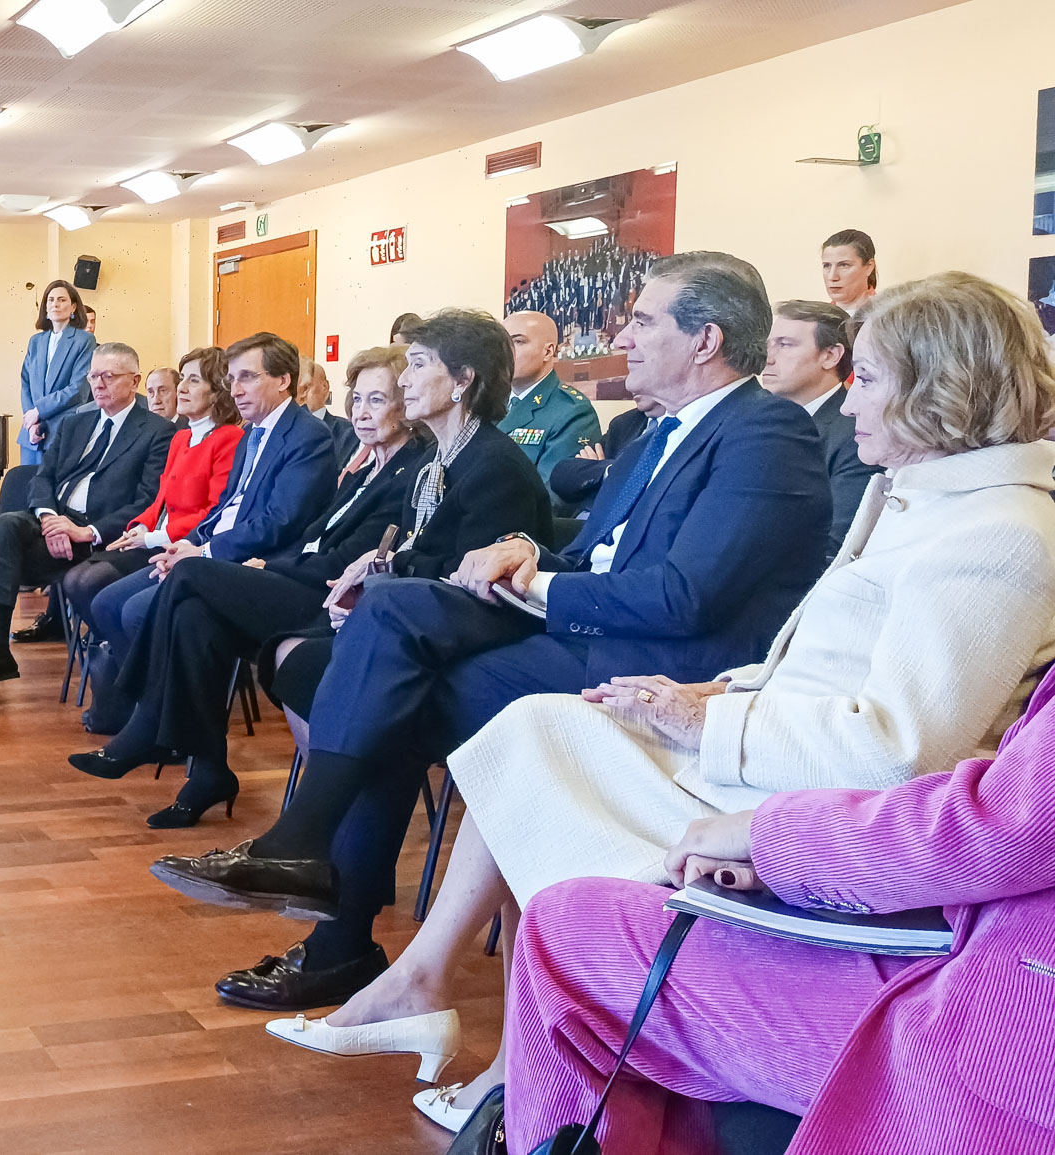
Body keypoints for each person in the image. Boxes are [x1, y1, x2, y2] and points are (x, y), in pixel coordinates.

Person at [321, 270, 1055, 1133]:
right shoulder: (932, 499)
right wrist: (716, 691)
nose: (849, 399)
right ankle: (463, 1002)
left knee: (530, 737)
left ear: (940, 389)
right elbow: (820, 665)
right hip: (774, 740)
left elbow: (898, 751)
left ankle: (519, 1036)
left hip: (812, 797)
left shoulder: (997, 533)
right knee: (529, 729)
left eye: (869, 377)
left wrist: (707, 718)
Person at [147, 253, 832, 1027]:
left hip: (662, 669)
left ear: (704, 340)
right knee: (390, 621)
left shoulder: (766, 432)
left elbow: (687, 596)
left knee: (389, 678)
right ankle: (326, 906)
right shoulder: (652, 437)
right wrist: (525, 552)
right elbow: (589, 554)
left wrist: (534, 581)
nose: (624, 335)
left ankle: (319, 885)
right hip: (589, 629)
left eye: (643, 320)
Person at [508, 657, 1055, 1153]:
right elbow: (792, 664)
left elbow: (983, 812)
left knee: (564, 930)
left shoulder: (996, 546)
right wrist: (718, 694)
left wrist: (768, 829)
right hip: (960, 910)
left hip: (1006, 1036)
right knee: (527, 728)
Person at [67, 344, 442, 829]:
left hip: (323, 600)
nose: (360, 413)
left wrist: (263, 566)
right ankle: (208, 772)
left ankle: (146, 724)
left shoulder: (404, 469)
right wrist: (246, 557)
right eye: (358, 400)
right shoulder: (365, 465)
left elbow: (330, 552)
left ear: (405, 405)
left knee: (187, 576)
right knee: (195, 616)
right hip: (289, 570)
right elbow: (303, 531)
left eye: (377, 400)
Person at [78, 332, 335, 733]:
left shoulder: (307, 435)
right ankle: (155, 713)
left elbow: (280, 521)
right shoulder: (253, 433)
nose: (236, 390)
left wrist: (204, 553)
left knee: (134, 609)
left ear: (283, 380)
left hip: (259, 564)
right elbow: (224, 507)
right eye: (232, 379)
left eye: (247, 377)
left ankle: (164, 725)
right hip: (212, 549)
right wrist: (188, 542)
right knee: (109, 602)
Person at [0, 343, 173, 709]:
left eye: (109, 376)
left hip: (96, 534)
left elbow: (146, 501)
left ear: (134, 381)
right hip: (51, 523)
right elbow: (43, 478)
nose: (99, 384)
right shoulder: (77, 422)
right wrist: (48, 520)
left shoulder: (157, 431)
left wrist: (85, 533)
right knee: (7, 527)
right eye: (94, 376)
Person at [60, 347, 242, 627]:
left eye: (194, 380)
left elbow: (213, 512)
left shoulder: (229, 438)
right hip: (153, 539)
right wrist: (141, 526)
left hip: (182, 545)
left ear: (217, 391)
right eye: (182, 378)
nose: (182, 388)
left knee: (91, 583)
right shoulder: (181, 438)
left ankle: (118, 652)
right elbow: (160, 501)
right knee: (76, 580)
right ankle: (112, 648)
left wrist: (151, 538)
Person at [761, 299, 879, 551]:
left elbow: (834, 544)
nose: (767, 358)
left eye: (784, 345)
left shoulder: (856, 435)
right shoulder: (759, 422)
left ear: (830, 355)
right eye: (768, 345)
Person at [498, 311, 601, 485]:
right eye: (501, 343)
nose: (505, 352)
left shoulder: (571, 411)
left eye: (517, 342)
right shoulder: (489, 401)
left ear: (548, 352)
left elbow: (553, 495)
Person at [18, 281, 96, 465]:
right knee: (28, 488)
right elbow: (25, 382)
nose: (55, 304)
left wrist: (38, 411)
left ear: (73, 307)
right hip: (32, 434)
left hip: (62, 429)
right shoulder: (36, 341)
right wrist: (31, 421)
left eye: (62, 300)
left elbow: (79, 388)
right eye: (51, 300)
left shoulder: (84, 340)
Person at [549, 396, 659, 516]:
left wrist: (603, 477)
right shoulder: (627, 422)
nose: (629, 384)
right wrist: (606, 471)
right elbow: (562, 475)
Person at [299, 357, 355, 464]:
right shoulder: (281, 429)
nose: (301, 394)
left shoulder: (347, 432)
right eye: (296, 388)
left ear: (325, 386)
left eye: (306, 387)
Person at [820, 228, 878, 310]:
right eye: (827, 265)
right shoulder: (815, 319)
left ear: (869, 267)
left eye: (844, 265)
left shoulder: (889, 318)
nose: (832, 277)